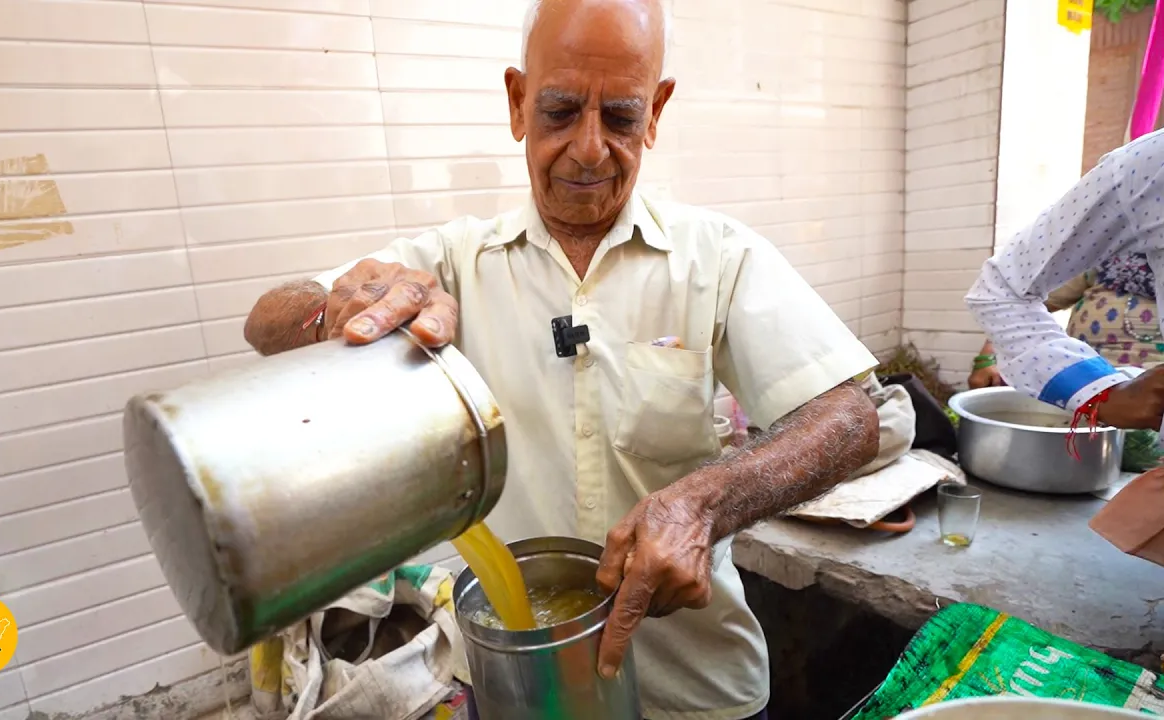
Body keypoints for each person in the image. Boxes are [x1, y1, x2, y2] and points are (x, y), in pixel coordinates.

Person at [244, 1, 881, 717]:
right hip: (522, 693)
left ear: (657, 111)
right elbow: (267, 321)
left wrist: (707, 504)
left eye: (619, 117)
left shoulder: (717, 257)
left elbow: (851, 417)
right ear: (517, 103)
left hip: (696, 694)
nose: (587, 149)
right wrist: (334, 306)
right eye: (558, 111)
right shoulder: (453, 262)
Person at [965, 129, 1164, 431]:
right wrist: (1101, 392)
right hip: (1100, 404)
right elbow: (1008, 292)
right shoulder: (1146, 171)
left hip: (1144, 423)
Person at [968, 253, 1162, 390]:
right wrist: (988, 359)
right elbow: (1018, 304)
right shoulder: (1108, 259)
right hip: (1083, 384)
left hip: (1152, 397)